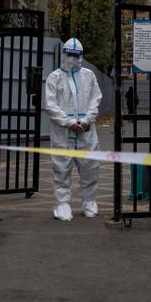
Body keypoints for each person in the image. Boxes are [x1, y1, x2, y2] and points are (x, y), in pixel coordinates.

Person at [44, 37, 103, 221]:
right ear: (64, 54)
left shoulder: (89, 76)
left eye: (77, 56)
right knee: (61, 167)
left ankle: (89, 201)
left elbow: (96, 99)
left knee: (90, 167)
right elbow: (51, 105)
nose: (73, 59)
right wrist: (68, 122)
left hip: (86, 131)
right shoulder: (54, 77)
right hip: (63, 131)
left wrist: (86, 120)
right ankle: (62, 203)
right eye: (70, 55)